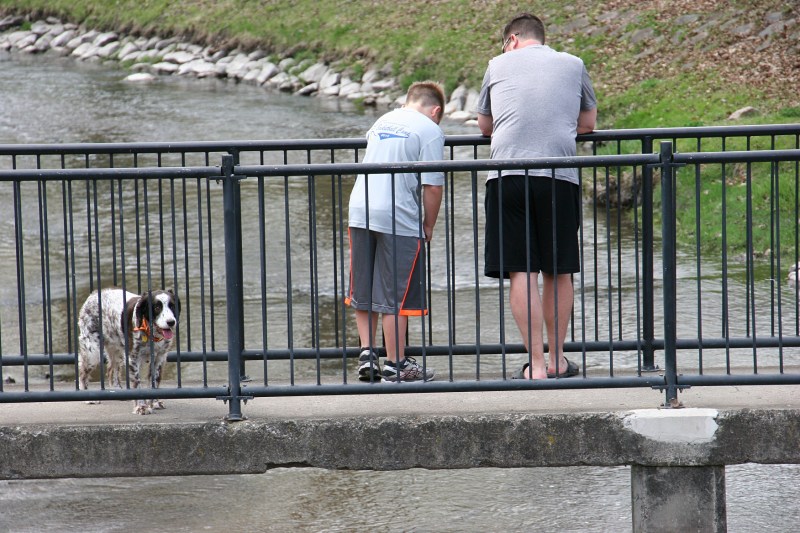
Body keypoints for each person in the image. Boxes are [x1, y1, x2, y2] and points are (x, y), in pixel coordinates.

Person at [476, 13, 597, 380]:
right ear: (542, 39)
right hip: (559, 176)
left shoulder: (497, 64)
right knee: (558, 271)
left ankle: (537, 366)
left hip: (509, 174)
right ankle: (559, 358)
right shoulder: (573, 64)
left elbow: (485, 125)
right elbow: (588, 124)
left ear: (512, 39)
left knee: (522, 271)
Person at [346, 81, 446, 382]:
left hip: (360, 209)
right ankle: (396, 363)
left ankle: (367, 354)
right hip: (397, 216)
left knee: (362, 288)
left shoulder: (383, 120)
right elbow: (432, 186)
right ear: (436, 110)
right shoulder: (430, 130)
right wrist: (428, 225)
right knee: (395, 294)